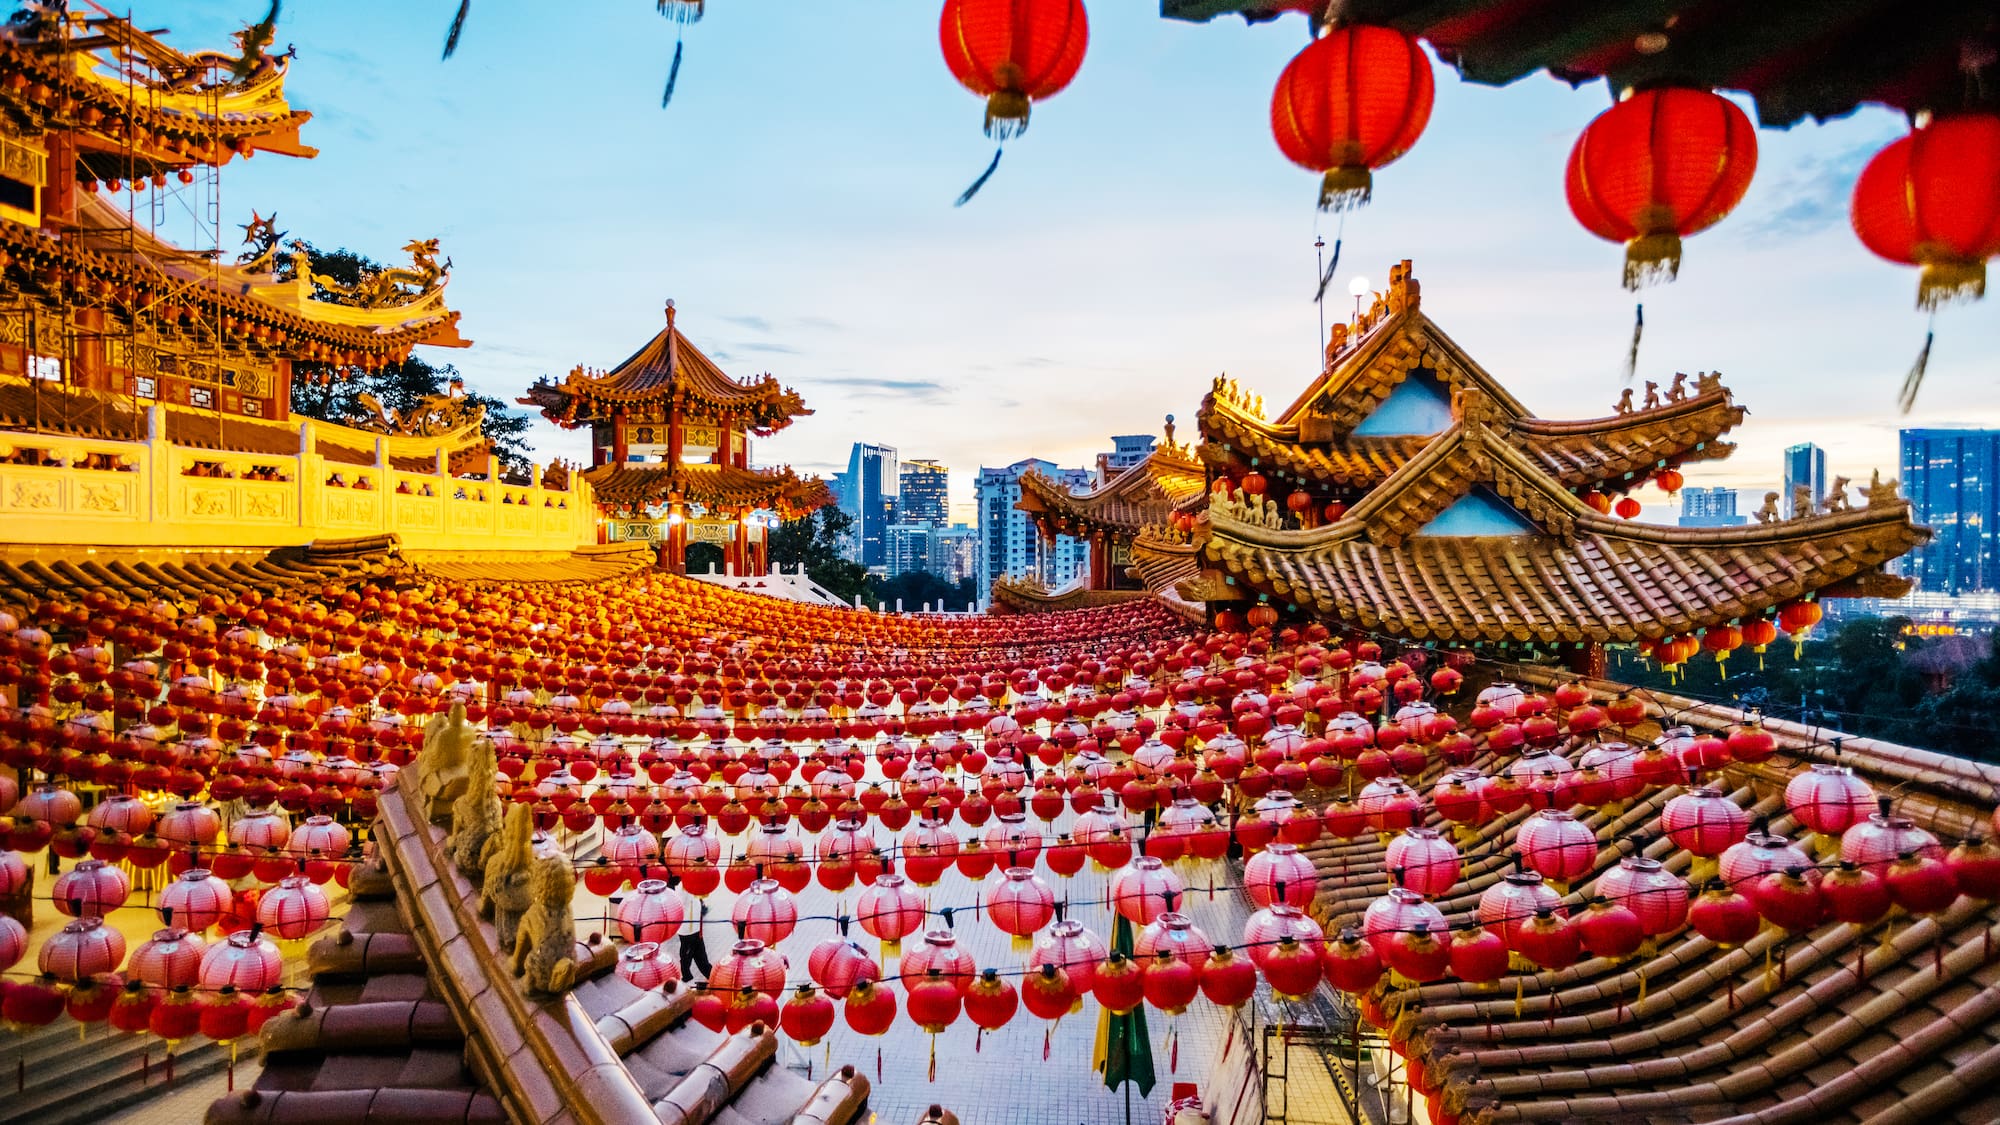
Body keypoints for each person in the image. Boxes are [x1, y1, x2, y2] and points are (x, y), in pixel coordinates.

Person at [667, 874, 712, 981]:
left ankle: (709, 974)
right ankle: (687, 976)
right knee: (687, 954)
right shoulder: (683, 889)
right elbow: (679, 905)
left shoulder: (689, 887)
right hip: (688, 930)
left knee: (699, 955)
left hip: (695, 928)